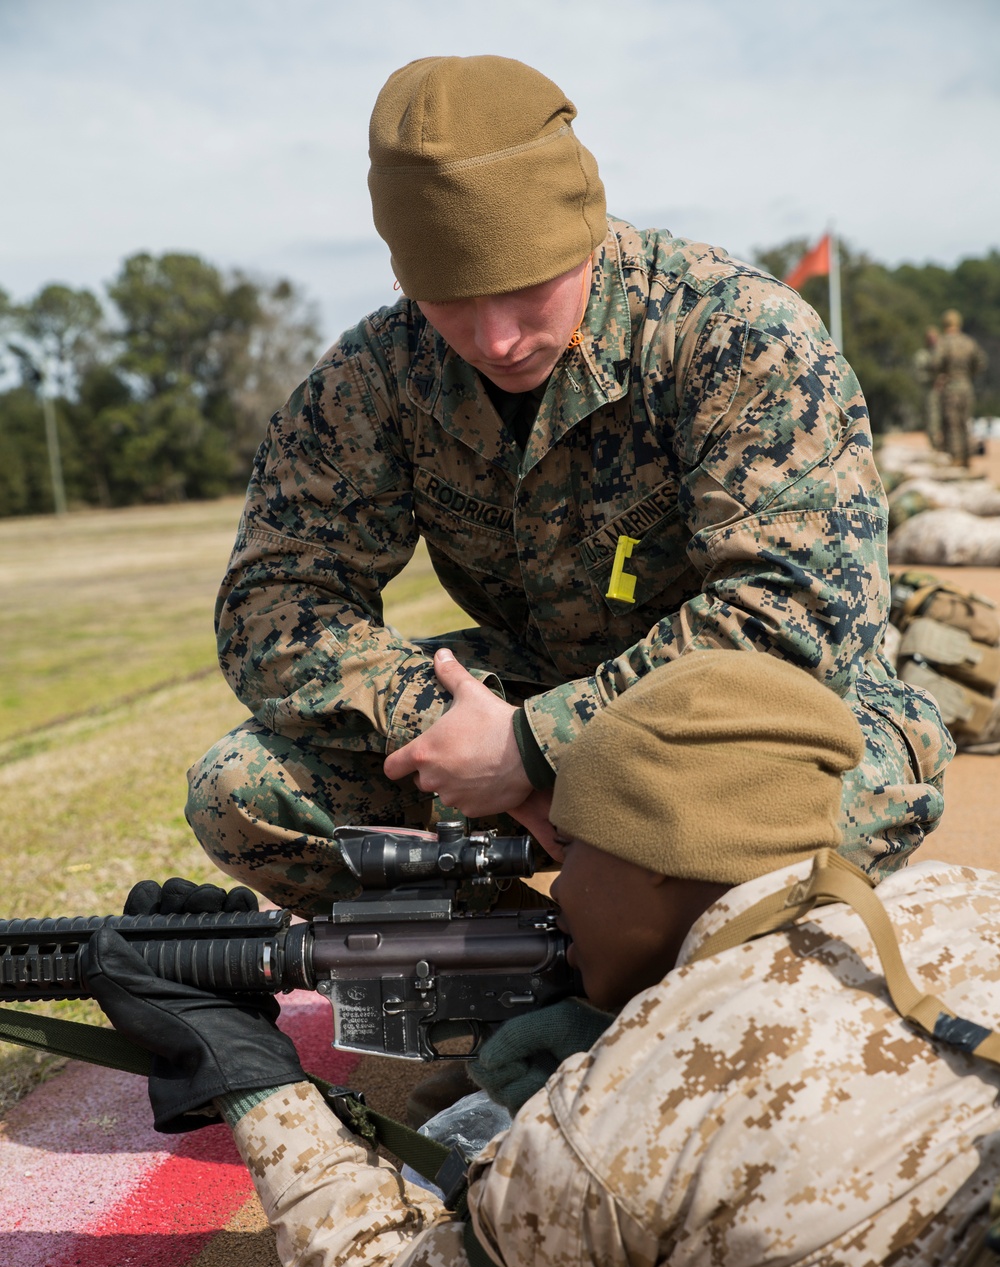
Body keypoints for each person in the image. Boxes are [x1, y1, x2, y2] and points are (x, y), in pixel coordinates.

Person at [87, 651, 1000, 1267]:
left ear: (658, 854)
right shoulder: (962, 895)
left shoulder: (626, 1112)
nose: (557, 886)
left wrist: (256, 1079)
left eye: (573, 847)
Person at [184, 54, 952, 922]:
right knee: (243, 791)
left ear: (582, 228)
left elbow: (796, 618)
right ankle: (530, 979)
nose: (496, 337)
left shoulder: (736, 336)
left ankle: (652, 958)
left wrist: (540, 746)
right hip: (524, 691)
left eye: (523, 286)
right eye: (450, 298)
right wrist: (453, 731)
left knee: (816, 823)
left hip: (739, 724)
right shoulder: (375, 376)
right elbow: (272, 606)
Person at [934, 310, 987, 468]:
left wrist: (943, 374)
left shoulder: (944, 342)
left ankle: (956, 459)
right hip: (966, 386)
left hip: (951, 387)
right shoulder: (969, 342)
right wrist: (969, 374)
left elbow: (936, 362)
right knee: (965, 423)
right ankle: (966, 459)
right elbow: (981, 362)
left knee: (952, 424)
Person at [913, 325, 943, 450]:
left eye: (935, 337)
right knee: (932, 420)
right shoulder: (922, 355)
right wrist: (933, 379)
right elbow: (918, 375)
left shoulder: (943, 353)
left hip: (947, 392)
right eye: (930, 337)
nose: (933, 340)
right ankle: (935, 446)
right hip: (931, 392)